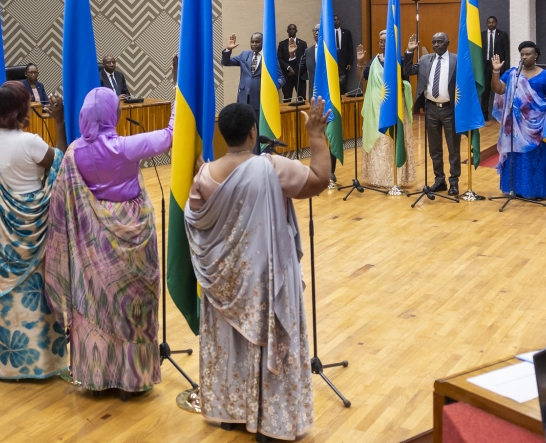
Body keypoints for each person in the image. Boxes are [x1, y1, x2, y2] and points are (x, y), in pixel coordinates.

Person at [185, 99, 331, 441]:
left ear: (224, 135)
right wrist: (316, 135)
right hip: (263, 280)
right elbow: (319, 179)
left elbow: (195, 221)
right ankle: (271, 420)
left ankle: (232, 412)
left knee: (230, 342)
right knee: (265, 341)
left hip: (222, 281)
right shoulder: (270, 167)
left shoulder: (204, 175)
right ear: (254, 133)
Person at [46, 64, 175, 397]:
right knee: (135, 305)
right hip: (133, 234)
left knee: (95, 305)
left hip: (92, 239)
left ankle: (98, 378)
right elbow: (172, 135)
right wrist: (179, 89)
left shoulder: (75, 152)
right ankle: (133, 380)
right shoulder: (126, 147)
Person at [0, 82, 68, 380]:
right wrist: (60, 122)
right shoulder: (30, 142)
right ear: (24, 109)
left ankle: (1, 365)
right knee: (34, 297)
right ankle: (40, 364)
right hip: (33, 229)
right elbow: (61, 166)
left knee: (2, 296)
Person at [491, 41, 546, 198]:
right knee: (517, 157)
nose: (524, 57)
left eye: (528, 54)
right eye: (522, 54)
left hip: (538, 126)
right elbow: (499, 89)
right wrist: (495, 71)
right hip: (515, 126)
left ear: (536, 56)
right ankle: (515, 189)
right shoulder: (513, 73)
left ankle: (536, 191)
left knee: (535, 158)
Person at [403, 32, 461, 196]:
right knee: (434, 148)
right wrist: (409, 51)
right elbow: (407, 70)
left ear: (447, 42)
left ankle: (454, 182)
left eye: (440, 42)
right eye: (433, 42)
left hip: (450, 109)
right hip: (431, 109)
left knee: (453, 148)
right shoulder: (425, 60)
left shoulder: (456, 60)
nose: (436, 45)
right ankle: (439, 180)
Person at [356, 33, 416, 187]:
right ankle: (378, 177)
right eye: (380, 41)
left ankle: (395, 177)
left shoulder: (398, 59)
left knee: (391, 140)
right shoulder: (374, 60)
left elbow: (406, 81)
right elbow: (363, 78)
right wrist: (360, 63)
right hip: (376, 107)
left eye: (385, 41)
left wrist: (402, 85)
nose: (382, 44)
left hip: (394, 107)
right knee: (378, 142)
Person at [303, 24, 338, 183]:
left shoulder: (332, 50)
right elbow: (302, 73)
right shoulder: (308, 51)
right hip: (314, 98)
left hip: (330, 98)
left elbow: (341, 73)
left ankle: (330, 171)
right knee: (317, 133)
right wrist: (291, 57)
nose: (316, 33)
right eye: (314, 31)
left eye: (319, 30)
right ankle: (317, 168)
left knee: (331, 134)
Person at [221, 32, 283, 120]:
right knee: (243, 127)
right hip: (243, 98)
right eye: (252, 42)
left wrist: (271, 88)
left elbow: (281, 78)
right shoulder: (244, 55)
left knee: (257, 128)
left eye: (257, 42)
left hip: (260, 99)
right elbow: (225, 62)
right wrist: (228, 50)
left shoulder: (269, 57)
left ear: (263, 42)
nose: (254, 44)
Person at [481, 16, 510, 121]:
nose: (491, 24)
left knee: (499, 91)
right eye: (489, 22)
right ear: (486, 23)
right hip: (486, 66)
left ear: (496, 23)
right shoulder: (481, 35)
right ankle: (484, 115)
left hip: (498, 66)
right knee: (485, 92)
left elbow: (506, 51)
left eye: (493, 22)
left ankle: (500, 115)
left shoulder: (502, 35)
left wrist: (506, 67)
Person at [277, 24, 307, 101]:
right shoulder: (282, 44)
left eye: (293, 29)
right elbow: (279, 59)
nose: (291, 31)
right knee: (287, 99)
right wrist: (288, 67)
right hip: (287, 76)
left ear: (296, 31)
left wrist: (297, 70)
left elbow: (305, 59)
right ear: (287, 31)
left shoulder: (303, 43)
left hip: (300, 76)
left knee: (302, 98)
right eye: (290, 29)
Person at [334, 15, 354, 89]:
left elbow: (350, 48)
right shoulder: (329, 34)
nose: (336, 21)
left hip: (344, 63)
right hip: (333, 60)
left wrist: (350, 63)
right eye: (334, 19)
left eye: (337, 19)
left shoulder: (346, 32)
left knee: (343, 83)